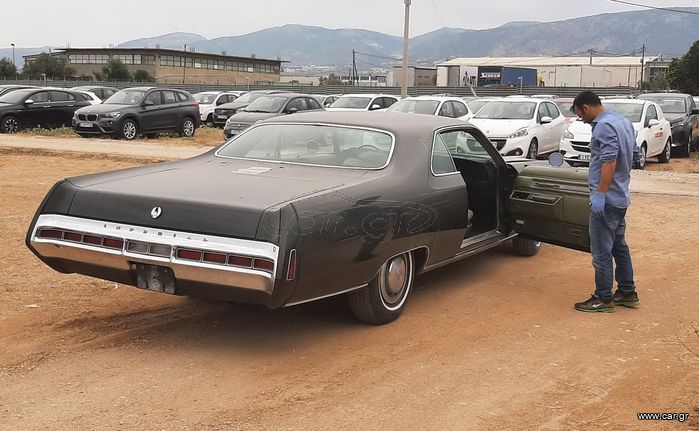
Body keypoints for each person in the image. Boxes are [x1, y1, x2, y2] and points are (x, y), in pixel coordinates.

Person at [571, 91, 641, 313]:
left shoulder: (603, 126)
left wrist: (600, 194)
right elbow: (636, 153)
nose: (581, 119)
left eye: (580, 114)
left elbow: (608, 163)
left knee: (601, 252)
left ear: (586, 107)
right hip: (620, 197)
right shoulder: (622, 121)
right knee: (620, 247)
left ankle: (603, 298)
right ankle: (627, 292)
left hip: (608, 199)